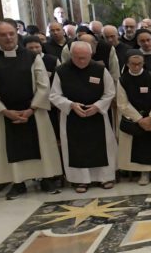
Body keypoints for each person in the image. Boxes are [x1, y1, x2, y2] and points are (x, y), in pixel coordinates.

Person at [0, 21, 63, 198]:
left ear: (17, 34)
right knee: (9, 148)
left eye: (11, 33)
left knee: (41, 147)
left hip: (33, 111)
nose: (8, 37)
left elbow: (43, 85)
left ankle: (46, 179)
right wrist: (5, 111)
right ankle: (18, 183)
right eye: (3, 35)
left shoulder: (32, 57)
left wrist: (31, 109)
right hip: (4, 114)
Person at [50, 41, 117, 192]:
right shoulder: (61, 71)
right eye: (78, 58)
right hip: (72, 116)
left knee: (101, 146)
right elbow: (54, 95)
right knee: (76, 148)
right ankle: (81, 180)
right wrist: (71, 105)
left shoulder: (100, 69)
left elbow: (110, 92)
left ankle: (104, 177)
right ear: (71, 55)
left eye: (85, 58)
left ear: (90, 55)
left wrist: (98, 106)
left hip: (97, 114)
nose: (82, 61)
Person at [117, 50, 151, 185]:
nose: (136, 67)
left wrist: (150, 118)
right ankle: (143, 173)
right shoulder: (122, 80)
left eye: (139, 64)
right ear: (127, 64)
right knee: (138, 146)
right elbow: (122, 103)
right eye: (133, 64)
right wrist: (140, 120)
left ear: (143, 63)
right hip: (134, 119)